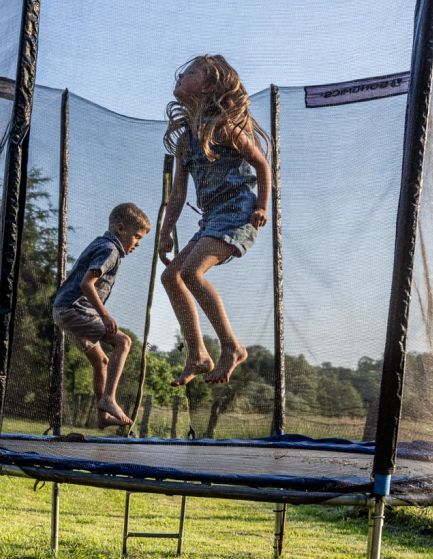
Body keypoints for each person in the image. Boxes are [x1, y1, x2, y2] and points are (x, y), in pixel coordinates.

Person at [159, 54, 271, 385]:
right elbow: (178, 193)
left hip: (238, 213)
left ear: (208, 86)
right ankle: (198, 354)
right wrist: (165, 231)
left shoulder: (223, 128)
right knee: (171, 276)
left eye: (190, 73)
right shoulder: (185, 141)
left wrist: (262, 206)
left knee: (192, 272)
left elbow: (262, 165)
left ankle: (231, 347)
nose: (180, 77)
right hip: (211, 220)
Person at [52, 202, 151, 428]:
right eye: (136, 236)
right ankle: (108, 399)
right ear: (120, 228)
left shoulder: (102, 243)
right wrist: (105, 316)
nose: (137, 243)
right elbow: (88, 284)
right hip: (73, 310)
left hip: (64, 310)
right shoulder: (110, 249)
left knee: (102, 362)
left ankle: (103, 416)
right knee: (123, 342)